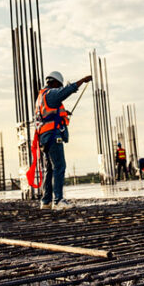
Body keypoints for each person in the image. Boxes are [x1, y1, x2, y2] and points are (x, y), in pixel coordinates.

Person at [35, 70, 91, 210]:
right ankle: (58, 200)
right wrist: (82, 80)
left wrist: (64, 113)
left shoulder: (41, 96)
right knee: (59, 167)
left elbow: (48, 115)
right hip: (53, 137)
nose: (59, 88)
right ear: (54, 83)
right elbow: (66, 91)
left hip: (44, 138)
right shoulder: (51, 93)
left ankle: (46, 201)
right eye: (59, 85)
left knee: (49, 169)